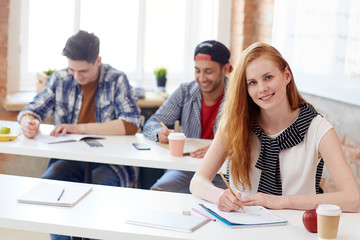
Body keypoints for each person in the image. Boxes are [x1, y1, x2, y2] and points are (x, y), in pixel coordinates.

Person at [190, 42, 360, 213]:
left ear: (286, 75)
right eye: (252, 83)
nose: (262, 89)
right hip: (240, 228)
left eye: (268, 77)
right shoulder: (235, 124)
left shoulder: (318, 128)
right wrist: (217, 195)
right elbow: (198, 181)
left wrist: (283, 201)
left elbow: (354, 199)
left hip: (296, 231)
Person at [18, 30, 142, 240]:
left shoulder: (117, 79)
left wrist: (80, 128)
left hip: (110, 163)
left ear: (98, 61)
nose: (76, 76)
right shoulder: (60, 78)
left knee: (99, 196)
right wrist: (27, 122)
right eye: (72, 69)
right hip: (70, 159)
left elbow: (131, 124)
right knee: (49, 187)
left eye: (83, 70)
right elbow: (31, 110)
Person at [143, 40, 232, 193]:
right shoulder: (185, 91)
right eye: (197, 70)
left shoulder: (239, 97)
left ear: (226, 69)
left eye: (209, 72)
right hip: (185, 169)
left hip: (224, 172)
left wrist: (221, 149)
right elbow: (152, 123)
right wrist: (159, 132)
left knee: (223, 205)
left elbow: (251, 140)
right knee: (157, 193)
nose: (202, 78)